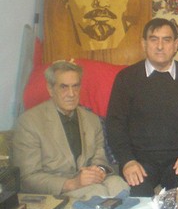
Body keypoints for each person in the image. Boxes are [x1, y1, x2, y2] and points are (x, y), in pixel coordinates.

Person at [106, 18, 178, 196]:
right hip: (139, 162)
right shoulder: (126, 78)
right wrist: (127, 160)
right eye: (154, 39)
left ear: (176, 45)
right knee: (137, 201)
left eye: (166, 40)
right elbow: (115, 125)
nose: (160, 46)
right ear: (144, 44)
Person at [12, 60, 128, 199]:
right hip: (56, 193)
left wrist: (99, 170)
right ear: (50, 89)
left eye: (75, 86)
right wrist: (72, 183)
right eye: (64, 87)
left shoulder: (92, 120)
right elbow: (27, 178)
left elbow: (100, 159)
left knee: (119, 185)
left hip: (91, 184)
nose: (71, 94)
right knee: (97, 193)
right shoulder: (29, 122)